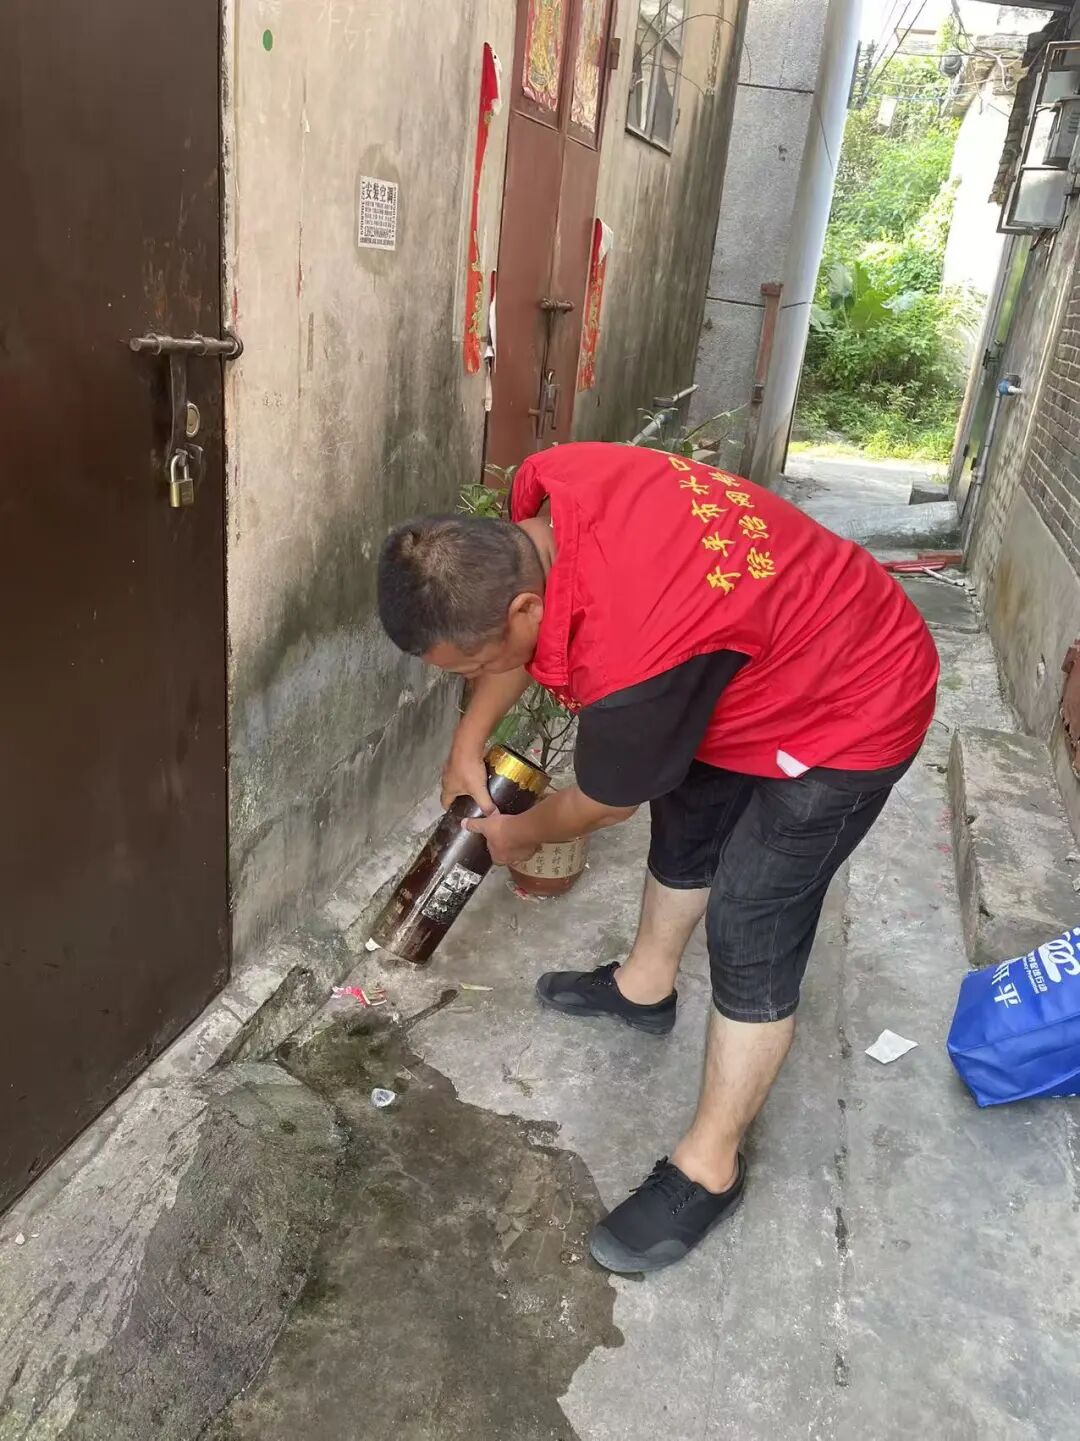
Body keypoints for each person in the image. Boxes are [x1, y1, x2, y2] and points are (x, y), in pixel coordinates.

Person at [376, 442, 939, 1275]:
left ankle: (710, 1168)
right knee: (690, 814)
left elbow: (606, 802)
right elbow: (514, 643)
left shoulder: (634, 652)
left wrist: (519, 836)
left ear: (525, 606)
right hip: (751, 662)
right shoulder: (552, 491)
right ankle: (644, 987)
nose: (485, 674)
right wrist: (468, 741)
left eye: (479, 664)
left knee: (752, 918)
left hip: (855, 701)